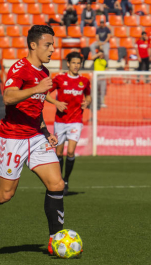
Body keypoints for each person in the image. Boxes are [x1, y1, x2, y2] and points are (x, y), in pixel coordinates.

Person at [0, 25, 66, 256]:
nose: (52, 49)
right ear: (33, 45)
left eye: (53, 44)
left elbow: (36, 110)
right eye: (48, 45)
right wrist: (37, 88)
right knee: (5, 194)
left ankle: (55, 239)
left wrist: (46, 132)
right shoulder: (20, 68)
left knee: (57, 184)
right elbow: (8, 97)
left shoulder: (44, 73)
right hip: (12, 138)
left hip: (35, 137)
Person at [46, 52, 92, 196]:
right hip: (60, 121)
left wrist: (87, 102)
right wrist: (56, 102)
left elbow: (88, 96)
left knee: (70, 151)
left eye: (78, 63)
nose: (76, 65)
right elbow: (45, 94)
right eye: (73, 63)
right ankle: (59, 179)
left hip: (76, 121)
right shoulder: (59, 78)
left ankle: (66, 180)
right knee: (59, 152)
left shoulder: (84, 81)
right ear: (68, 63)